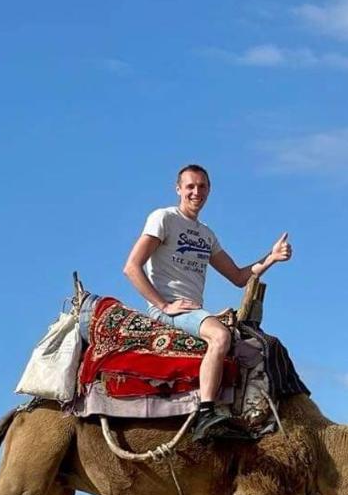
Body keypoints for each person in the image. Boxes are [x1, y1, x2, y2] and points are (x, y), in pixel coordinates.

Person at [122, 164, 292, 438]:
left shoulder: (206, 234)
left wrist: (270, 258)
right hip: (169, 308)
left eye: (201, 186)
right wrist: (164, 305)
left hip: (193, 310)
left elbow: (238, 276)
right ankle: (206, 413)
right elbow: (131, 267)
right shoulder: (163, 218)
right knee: (220, 337)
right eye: (190, 186)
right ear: (178, 189)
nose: (196, 192)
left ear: (209, 190)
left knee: (253, 347)